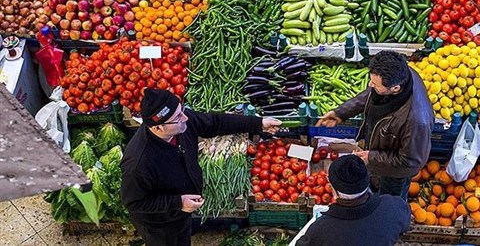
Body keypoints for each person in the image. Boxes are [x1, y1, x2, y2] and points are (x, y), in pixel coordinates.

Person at [120, 88, 281, 246]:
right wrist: (178, 203)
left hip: (182, 213)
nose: (185, 118)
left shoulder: (181, 123)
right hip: (161, 224)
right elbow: (133, 203)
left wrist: (258, 123)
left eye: (181, 110)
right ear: (158, 128)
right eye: (177, 117)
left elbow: (215, 123)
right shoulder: (138, 162)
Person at [316, 50, 433, 198]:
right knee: (375, 184)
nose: (370, 85)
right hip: (382, 150)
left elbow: (410, 161)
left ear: (395, 88)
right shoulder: (402, 73)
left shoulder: (416, 122)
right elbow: (372, 94)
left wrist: (371, 157)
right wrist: (341, 112)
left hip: (395, 172)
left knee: (389, 200)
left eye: (375, 84)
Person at [295, 155, 411, 246]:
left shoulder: (319, 231)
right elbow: (405, 224)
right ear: (367, 180)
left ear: (332, 187)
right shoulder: (394, 207)